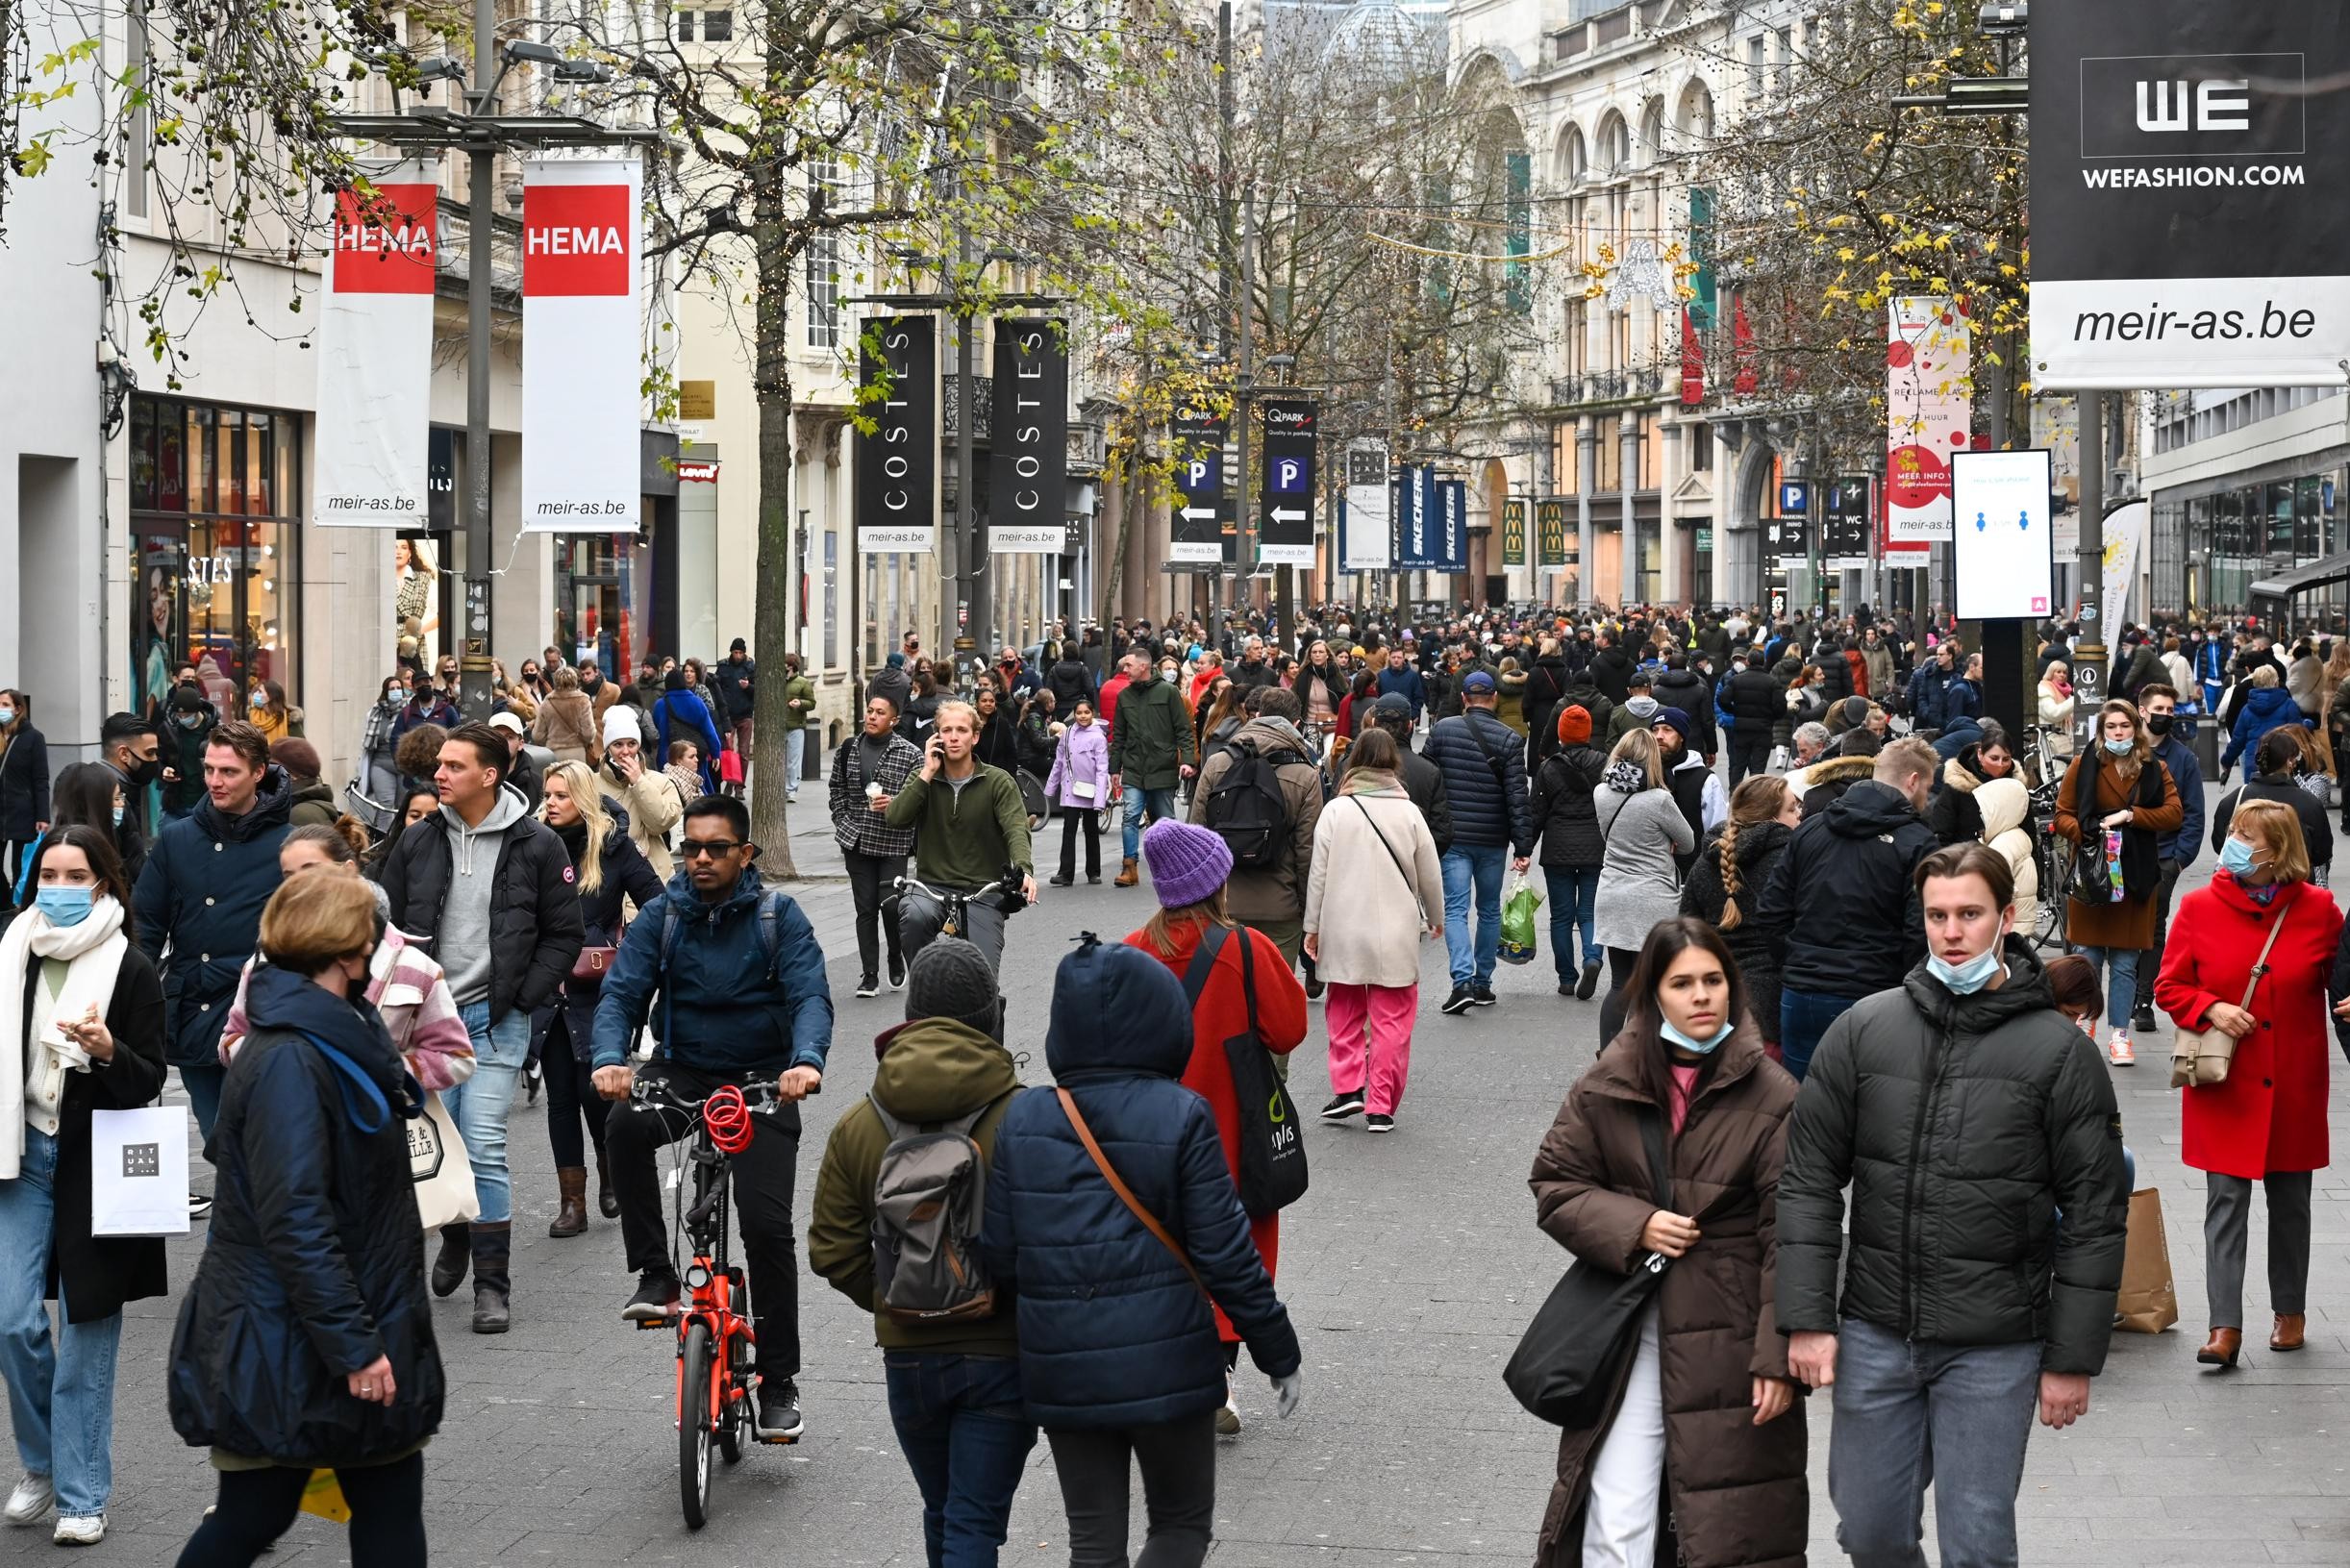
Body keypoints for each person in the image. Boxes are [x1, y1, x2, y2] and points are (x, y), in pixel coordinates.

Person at [1778, 842, 2127, 1568]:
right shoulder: (1866, 1028)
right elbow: (1809, 1178)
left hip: (1995, 1345)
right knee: (1870, 1533)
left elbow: (2094, 1212)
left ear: (2005, 917)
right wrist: (1808, 1317)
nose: (1952, 931)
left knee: (1976, 1544)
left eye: (1969, 913)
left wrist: (2071, 1357)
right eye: (1938, 915)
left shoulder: (2061, 1054)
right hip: (1877, 1329)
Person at [982, 937, 1302, 1566]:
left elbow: (999, 1253)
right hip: (1172, 1363)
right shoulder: (1182, 1113)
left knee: (1094, 1544)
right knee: (1180, 1524)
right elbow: (1226, 1253)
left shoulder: (1024, 1118)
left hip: (1063, 1366)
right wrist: (1277, 1349)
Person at [165, 871, 442, 1567]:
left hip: (312, 1323)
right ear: (351, 953)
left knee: (374, 1499)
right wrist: (355, 1346)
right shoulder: (294, 1053)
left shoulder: (328, 1033)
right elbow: (295, 1218)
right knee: (254, 1514)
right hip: (288, 1335)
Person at [1527, 917, 1805, 1568]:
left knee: (1731, 1522)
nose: (1701, 995)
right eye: (1682, 982)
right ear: (1653, 993)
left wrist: (1777, 1354)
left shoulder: (1775, 1095)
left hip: (1731, 1329)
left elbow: (1791, 1233)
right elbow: (1556, 1182)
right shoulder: (1610, 1079)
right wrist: (1635, 1224)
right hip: (1633, 1324)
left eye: (1713, 980)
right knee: (1616, 1508)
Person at [590, 795, 832, 1442]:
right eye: (689, 847)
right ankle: (657, 1273)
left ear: (745, 853)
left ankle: (779, 1379)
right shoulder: (663, 917)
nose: (699, 857)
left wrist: (804, 1063)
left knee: (765, 1224)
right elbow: (621, 992)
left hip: (762, 1077)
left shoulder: (780, 917)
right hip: (686, 1068)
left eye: (715, 848)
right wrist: (612, 1059)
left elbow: (810, 995)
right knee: (624, 1124)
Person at [808, 940, 1029, 1565]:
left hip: (909, 1359)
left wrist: (899, 1292)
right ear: (993, 1016)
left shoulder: (860, 1122)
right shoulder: (1023, 1115)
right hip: (1000, 1357)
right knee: (973, 1524)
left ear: (911, 1015)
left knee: (945, 1510)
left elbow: (831, 1247)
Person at [378, 723, 585, 1332]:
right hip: (425, 1020)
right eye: (437, 765)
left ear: (489, 775)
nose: (437, 774)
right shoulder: (417, 840)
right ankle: (458, 1234)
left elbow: (563, 933)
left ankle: (493, 1286)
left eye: (452, 766)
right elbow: (384, 926)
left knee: (485, 1141)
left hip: (497, 1020)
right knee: (440, 1141)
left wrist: (522, 998)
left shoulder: (538, 843)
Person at [0, 828, 164, 1546]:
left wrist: (105, 1050)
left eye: (74, 874)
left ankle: (82, 1491)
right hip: (22, 1153)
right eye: (47, 874)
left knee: (88, 1326)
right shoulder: (13, 952)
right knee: (13, 1320)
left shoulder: (130, 967)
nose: (58, 888)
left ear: (102, 881)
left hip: (99, 1158)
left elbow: (148, 1076)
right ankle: (40, 1464)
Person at [1125, 819, 1306, 1430]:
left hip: (1147, 1132)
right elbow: (1289, 1030)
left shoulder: (1130, 952)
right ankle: (1218, 1376)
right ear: (1214, 882)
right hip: (1230, 1125)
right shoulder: (1247, 949)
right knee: (1235, 1243)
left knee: (1162, 1240)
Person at [2163, 803, 2341, 1367]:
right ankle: (2224, 1326)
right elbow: (2170, 986)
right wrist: (2210, 1007)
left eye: (2247, 837)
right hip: (2226, 1084)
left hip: (2292, 1082)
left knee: (2292, 1205)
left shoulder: (2319, 910)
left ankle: (2289, 1312)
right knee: (2226, 1203)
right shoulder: (2197, 907)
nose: (2234, 845)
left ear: (2279, 851)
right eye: (2234, 834)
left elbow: (2343, 976)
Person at [133, 720, 293, 1195]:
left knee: (247, 1139)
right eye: (208, 769)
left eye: (229, 771)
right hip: (193, 1010)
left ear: (259, 773)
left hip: (261, 1013)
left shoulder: (290, 843)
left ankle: (249, 1248)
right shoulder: (178, 840)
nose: (215, 781)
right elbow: (145, 925)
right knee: (219, 1143)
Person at [1752, 737, 1940, 1081]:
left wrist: (1796, 960)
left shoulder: (1811, 828)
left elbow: (1771, 910)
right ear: (1913, 781)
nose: (1926, 796)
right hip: (1877, 992)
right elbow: (1920, 929)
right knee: (1871, 1107)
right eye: (1927, 786)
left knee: (1803, 1103)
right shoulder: (1918, 842)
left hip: (1804, 990)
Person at [535, 762, 661, 1239]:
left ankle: (612, 1178)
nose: (550, 803)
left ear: (583, 799)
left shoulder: (614, 846)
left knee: (596, 1092)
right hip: (547, 990)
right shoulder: (532, 844)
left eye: (560, 795)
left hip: (597, 990)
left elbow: (656, 900)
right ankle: (573, 1202)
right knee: (561, 1096)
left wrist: (631, 957)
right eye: (547, 794)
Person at [1304, 727, 1441, 1132]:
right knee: (1393, 1019)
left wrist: (1312, 925)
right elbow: (1429, 874)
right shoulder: (1409, 812)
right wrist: (1436, 917)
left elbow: (1318, 875)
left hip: (1343, 927)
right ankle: (1381, 1104)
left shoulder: (1336, 811)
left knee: (1344, 1009)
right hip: (1396, 929)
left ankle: (1348, 1089)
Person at [2054, 698, 2185, 1067]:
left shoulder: (2153, 768)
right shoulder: (2083, 765)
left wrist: (2131, 815)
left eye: (2124, 727)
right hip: (2093, 875)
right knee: (2087, 957)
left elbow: (2174, 813)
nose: (2118, 733)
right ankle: (2086, 1023)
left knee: (2126, 963)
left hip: (2136, 875)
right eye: (2111, 727)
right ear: (2101, 731)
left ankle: (2119, 1035)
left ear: (2135, 728)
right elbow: (2063, 814)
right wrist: (2087, 830)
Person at [885, 701, 1037, 976]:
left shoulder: (997, 782)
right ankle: (924, 988)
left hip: (983, 889)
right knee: (913, 916)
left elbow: (1016, 828)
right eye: (946, 730)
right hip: (931, 887)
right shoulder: (922, 778)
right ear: (937, 737)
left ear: (975, 736)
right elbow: (895, 818)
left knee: (983, 975)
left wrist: (1023, 869)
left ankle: (986, 1011)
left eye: (962, 730)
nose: (954, 736)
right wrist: (927, 772)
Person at [1422, 669, 1535, 1016]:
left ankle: (1462, 981)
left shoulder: (1442, 731)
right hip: (1492, 837)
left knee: (1455, 908)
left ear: (1463, 699)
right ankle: (1484, 982)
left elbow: (1429, 781)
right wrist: (1524, 847)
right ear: (1495, 698)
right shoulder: (1509, 739)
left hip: (1454, 836)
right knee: (1488, 909)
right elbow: (1518, 796)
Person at [1187, 686, 1322, 970]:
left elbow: (1197, 834)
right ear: (1296, 724)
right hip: (1280, 907)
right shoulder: (1305, 774)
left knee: (1230, 995)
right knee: (1272, 1000)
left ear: (1257, 716)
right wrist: (1307, 910)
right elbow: (1307, 850)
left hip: (1224, 905)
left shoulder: (1218, 763)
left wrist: (1199, 902)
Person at [1679, 774, 1801, 1060]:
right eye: (1792, 808)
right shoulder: (1791, 860)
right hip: (1771, 1002)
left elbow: (1686, 929)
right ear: (1772, 816)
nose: (1799, 815)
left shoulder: (1707, 860)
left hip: (1712, 999)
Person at [1590, 730, 1697, 1046]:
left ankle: (1608, 1057)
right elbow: (1689, 842)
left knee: (1620, 983)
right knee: (1651, 984)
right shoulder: (1660, 800)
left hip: (1612, 893)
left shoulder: (1601, 793)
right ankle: (1639, 1057)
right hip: (1652, 898)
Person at [830, 695, 923, 998]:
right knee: (865, 908)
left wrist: (895, 804)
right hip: (855, 838)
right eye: (870, 711)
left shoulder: (909, 753)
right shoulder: (848, 748)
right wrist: (843, 819)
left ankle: (895, 954)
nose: (871, 716)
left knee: (891, 906)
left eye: (880, 713)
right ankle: (869, 974)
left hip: (892, 839)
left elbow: (921, 797)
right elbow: (836, 787)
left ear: (893, 720)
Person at [1530, 702, 1609, 1001]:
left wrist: (1524, 848)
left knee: (1561, 917)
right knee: (1589, 913)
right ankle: (1592, 958)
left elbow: (1536, 812)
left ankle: (1566, 977)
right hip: (1594, 847)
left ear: (1561, 735)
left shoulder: (1549, 767)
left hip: (1558, 848)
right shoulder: (1603, 763)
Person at [1108, 653, 1198, 888]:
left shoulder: (1168, 692)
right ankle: (1129, 867)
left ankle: (1172, 866)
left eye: (1129, 664)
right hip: (1134, 768)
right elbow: (1119, 735)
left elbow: (1184, 729)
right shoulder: (1125, 695)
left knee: (1166, 819)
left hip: (1162, 766)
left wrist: (1187, 760)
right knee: (1129, 816)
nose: (1124, 669)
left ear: (1144, 665)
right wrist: (1114, 768)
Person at [2211, 726, 2333, 884]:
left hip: (2242, 886)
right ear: (2290, 762)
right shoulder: (2309, 803)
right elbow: (2321, 853)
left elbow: (2220, 843)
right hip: (2293, 889)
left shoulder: (2234, 799)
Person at [593, 708, 683, 881]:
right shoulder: (591, 782)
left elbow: (659, 823)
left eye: (631, 744)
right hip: (607, 876)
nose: (625, 751)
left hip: (652, 874)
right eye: (618, 744)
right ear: (608, 748)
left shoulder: (660, 781)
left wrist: (639, 782)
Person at [1044, 697, 1111, 887]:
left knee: (1091, 831)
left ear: (1093, 714)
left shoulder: (1098, 737)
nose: (1082, 716)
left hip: (1090, 790)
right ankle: (1065, 873)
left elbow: (1101, 769)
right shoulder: (1067, 733)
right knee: (1068, 830)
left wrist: (1100, 799)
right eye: (1079, 713)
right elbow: (1059, 762)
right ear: (1074, 714)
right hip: (1071, 788)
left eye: (1086, 712)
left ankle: (1094, 871)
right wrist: (1050, 787)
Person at [1976, 775, 2041, 941]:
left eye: (1985, 809)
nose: (1980, 814)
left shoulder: (2002, 845)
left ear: (1999, 810)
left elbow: (2000, 888)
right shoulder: (2017, 835)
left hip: (2005, 926)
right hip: (2020, 922)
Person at [0, 693, 50, 895]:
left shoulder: (33, 737)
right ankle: (5, 902)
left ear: (18, 709)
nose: (1, 708)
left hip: (23, 811)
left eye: (5, 704)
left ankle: (21, 903)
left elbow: (41, 779)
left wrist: (43, 816)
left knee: (20, 866)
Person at [2221, 665, 2305, 783]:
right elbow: (2298, 733)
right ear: (2276, 682)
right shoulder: (2288, 705)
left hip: (2255, 763)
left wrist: (2227, 761)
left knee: (2255, 799)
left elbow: (2237, 741)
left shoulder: (2247, 709)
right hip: (2281, 763)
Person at [531, 665, 601, 768]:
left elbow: (537, 736)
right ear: (575, 680)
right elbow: (588, 733)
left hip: (553, 753)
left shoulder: (547, 701)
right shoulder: (583, 700)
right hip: (577, 753)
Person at [778, 652, 815, 801]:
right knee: (781, 760)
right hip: (780, 726)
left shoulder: (803, 682)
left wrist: (800, 704)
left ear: (791, 666)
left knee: (793, 761)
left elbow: (811, 703)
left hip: (796, 726)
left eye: (785, 664)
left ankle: (791, 789)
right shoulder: (777, 682)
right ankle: (781, 787)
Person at [717, 637, 757, 777]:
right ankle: (730, 780)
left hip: (745, 715)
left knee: (744, 753)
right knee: (728, 750)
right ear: (731, 652)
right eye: (735, 652)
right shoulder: (723, 666)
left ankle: (740, 785)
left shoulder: (751, 667)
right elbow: (718, 687)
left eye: (740, 653)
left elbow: (759, 690)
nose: (738, 655)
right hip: (728, 715)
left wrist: (748, 687)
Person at [2038, 660, 2076, 759]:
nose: (2062, 675)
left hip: (2065, 743)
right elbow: (2054, 713)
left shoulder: (2066, 694)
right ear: (2051, 673)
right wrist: (2075, 700)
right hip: (2050, 744)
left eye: (2064, 672)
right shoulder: (2043, 690)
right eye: (2058, 672)